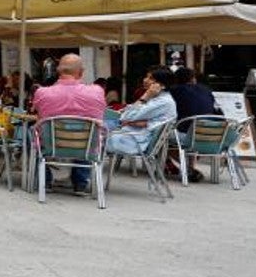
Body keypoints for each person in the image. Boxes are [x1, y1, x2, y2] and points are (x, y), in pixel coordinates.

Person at [31, 54, 106, 193]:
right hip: (86, 147)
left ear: (58, 71)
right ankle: (80, 183)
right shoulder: (97, 91)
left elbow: (38, 116)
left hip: (52, 146)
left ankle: (45, 181)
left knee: (33, 134)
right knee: (87, 137)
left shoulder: (42, 93)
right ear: (81, 72)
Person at [107, 67, 177, 157]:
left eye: (151, 78)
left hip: (134, 142)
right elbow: (128, 114)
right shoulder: (158, 98)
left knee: (94, 135)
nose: (145, 80)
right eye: (146, 77)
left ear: (162, 85)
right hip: (132, 136)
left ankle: (89, 167)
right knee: (104, 122)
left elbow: (126, 116)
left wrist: (146, 96)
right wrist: (134, 121)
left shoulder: (161, 101)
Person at [168, 66, 218, 182]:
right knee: (188, 132)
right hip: (213, 136)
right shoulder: (207, 90)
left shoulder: (174, 91)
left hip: (189, 136)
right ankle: (190, 168)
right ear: (193, 78)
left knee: (160, 136)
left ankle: (187, 168)